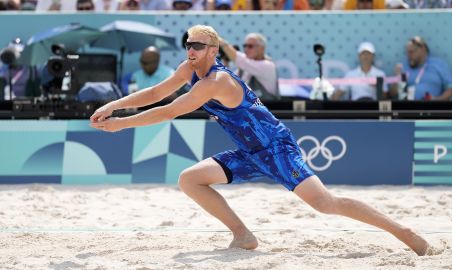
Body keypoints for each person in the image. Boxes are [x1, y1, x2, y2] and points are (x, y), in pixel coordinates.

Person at [90, 24, 431, 255]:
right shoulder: (191, 69)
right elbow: (157, 91)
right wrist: (114, 105)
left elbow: (169, 111)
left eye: (196, 45)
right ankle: (243, 235)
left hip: (276, 148)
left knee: (326, 204)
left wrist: (121, 124)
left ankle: (404, 232)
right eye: (187, 44)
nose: (189, 50)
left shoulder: (216, 82)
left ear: (213, 50)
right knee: (190, 180)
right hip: (249, 151)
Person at [392, 36, 452, 101]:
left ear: (422, 49)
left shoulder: (439, 64)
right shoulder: (404, 66)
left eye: (411, 52)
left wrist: (437, 100)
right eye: (407, 53)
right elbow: (393, 94)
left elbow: (450, 90)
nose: (408, 56)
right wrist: (398, 78)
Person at [219, 33, 279, 100]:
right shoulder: (245, 67)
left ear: (261, 48)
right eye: (245, 46)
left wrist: (221, 43)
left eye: (250, 46)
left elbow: (240, 60)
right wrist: (225, 63)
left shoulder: (268, 66)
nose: (246, 49)